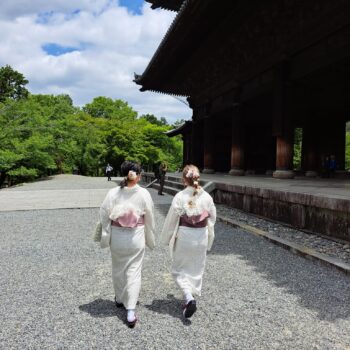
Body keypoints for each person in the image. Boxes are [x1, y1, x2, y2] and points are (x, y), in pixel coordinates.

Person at [99, 161, 155, 328]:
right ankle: (130, 310)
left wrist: (106, 233)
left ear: (124, 173)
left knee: (118, 268)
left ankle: (119, 298)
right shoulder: (144, 193)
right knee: (133, 270)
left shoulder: (113, 192)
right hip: (135, 237)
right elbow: (150, 217)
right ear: (137, 176)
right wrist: (150, 235)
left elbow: (103, 214)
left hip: (117, 236)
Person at [160, 164, 216, 318]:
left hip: (185, 235)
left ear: (184, 179)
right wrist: (207, 233)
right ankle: (189, 296)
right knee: (196, 267)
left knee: (178, 269)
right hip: (201, 235)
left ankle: (188, 297)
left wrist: (166, 237)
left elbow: (172, 220)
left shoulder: (180, 197)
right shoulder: (207, 197)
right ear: (198, 178)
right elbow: (212, 218)